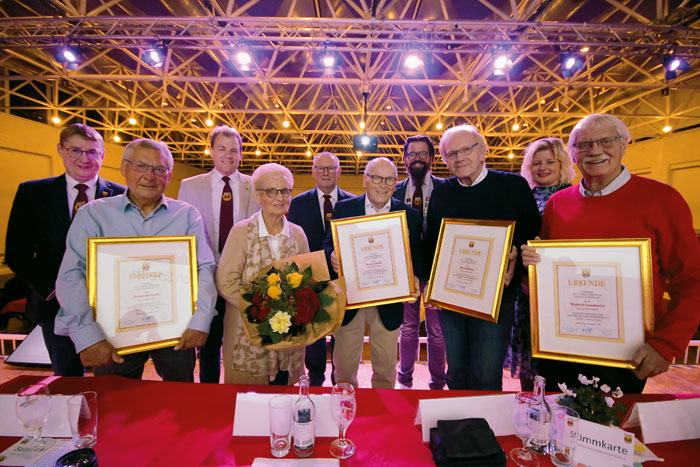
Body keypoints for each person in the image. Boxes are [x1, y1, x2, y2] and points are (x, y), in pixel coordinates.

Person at [522, 114, 700, 393]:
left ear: (624, 145)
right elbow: (549, 274)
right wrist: (532, 265)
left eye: (606, 141)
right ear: (572, 153)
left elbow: (691, 280)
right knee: (554, 425)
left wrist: (667, 344)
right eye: (584, 144)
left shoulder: (662, 200)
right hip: (560, 346)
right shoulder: (558, 204)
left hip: (625, 353)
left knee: (608, 433)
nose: (595, 150)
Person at [54, 138, 216, 382]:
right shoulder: (94, 215)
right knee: (114, 404)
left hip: (176, 331)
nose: (149, 175)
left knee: (180, 399)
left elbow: (204, 267)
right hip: (112, 334)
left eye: (159, 169)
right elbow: (71, 276)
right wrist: (88, 336)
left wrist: (200, 322)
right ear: (124, 168)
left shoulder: (186, 215)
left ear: (169, 176)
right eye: (140, 166)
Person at [425, 124, 541, 391]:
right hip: (451, 300)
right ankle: (457, 428)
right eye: (451, 153)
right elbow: (432, 241)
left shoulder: (513, 186)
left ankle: (484, 430)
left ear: (483, 151)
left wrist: (514, 248)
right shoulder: (442, 193)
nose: (459, 157)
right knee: (455, 373)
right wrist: (431, 282)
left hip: (496, 299)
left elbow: (532, 228)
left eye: (467, 149)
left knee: (486, 375)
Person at [5, 123, 125, 376]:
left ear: (103, 155)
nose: (84, 158)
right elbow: (17, 252)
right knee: (67, 378)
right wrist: (53, 290)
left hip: (110, 308)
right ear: (60, 150)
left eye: (92, 152)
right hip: (55, 306)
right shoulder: (33, 193)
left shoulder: (122, 196)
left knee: (113, 379)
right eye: (75, 150)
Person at [324, 157, 423, 389]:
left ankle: (381, 417)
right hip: (351, 300)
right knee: (344, 369)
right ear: (365, 179)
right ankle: (344, 415)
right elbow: (328, 243)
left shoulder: (409, 214)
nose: (382, 184)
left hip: (389, 302)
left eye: (389, 179)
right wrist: (332, 256)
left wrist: (416, 275)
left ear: (395, 182)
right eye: (376, 177)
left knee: (386, 370)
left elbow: (417, 254)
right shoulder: (345, 208)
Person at [178, 125, 258, 383]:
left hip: (242, 278)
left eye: (234, 150)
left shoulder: (253, 187)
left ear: (241, 154)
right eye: (222, 149)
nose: (228, 155)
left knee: (239, 342)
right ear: (211, 151)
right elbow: (184, 236)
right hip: (205, 278)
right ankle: (209, 393)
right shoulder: (189, 186)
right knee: (208, 346)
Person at [216, 163, 309, 385]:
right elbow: (225, 282)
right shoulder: (241, 232)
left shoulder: (298, 234)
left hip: (289, 334)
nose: (279, 197)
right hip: (248, 332)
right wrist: (264, 305)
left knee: (285, 398)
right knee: (251, 403)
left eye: (285, 191)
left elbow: (308, 280)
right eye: (271, 191)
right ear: (258, 196)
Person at [506, 137, 575, 390]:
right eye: (536, 163)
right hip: (525, 291)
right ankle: (530, 405)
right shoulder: (524, 196)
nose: (542, 167)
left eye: (549, 162)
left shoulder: (573, 196)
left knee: (557, 358)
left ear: (562, 163)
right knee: (529, 354)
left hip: (561, 291)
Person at [287, 152, 353, 386]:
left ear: (339, 171)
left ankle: (339, 378)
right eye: (320, 168)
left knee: (342, 330)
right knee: (314, 331)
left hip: (342, 279)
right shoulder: (297, 203)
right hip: (309, 277)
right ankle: (315, 378)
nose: (325, 172)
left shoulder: (352, 202)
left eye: (330, 168)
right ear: (313, 171)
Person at [393, 135, 446, 390]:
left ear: (432, 159)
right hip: (406, 270)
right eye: (412, 154)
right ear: (404, 160)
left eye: (422, 154)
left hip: (437, 269)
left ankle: (438, 381)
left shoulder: (446, 189)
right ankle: (405, 379)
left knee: (436, 331)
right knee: (408, 327)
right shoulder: (394, 191)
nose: (417, 158)